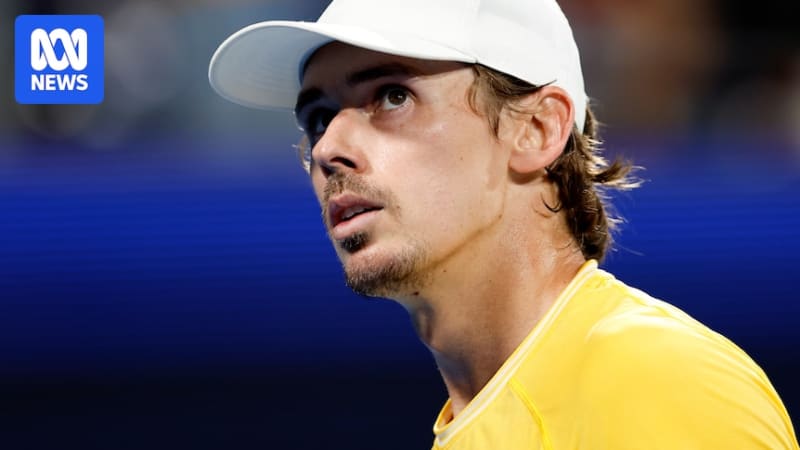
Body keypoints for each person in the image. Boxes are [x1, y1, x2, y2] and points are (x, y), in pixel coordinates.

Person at [208, 0, 799, 448]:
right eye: (316, 117)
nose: (329, 147)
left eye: (392, 96)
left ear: (537, 129)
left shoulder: (660, 383)